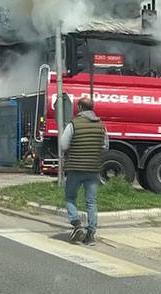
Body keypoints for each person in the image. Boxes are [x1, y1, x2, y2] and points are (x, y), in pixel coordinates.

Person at [60, 97, 108, 246]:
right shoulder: (101, 125)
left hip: (75, 167)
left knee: (70, 197)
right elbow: (105, 146)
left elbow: (63, 145)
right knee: (91, 202)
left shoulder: (73, 124)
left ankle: (76, 224)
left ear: (80, 107)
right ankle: (90, 235)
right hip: (93, 169)